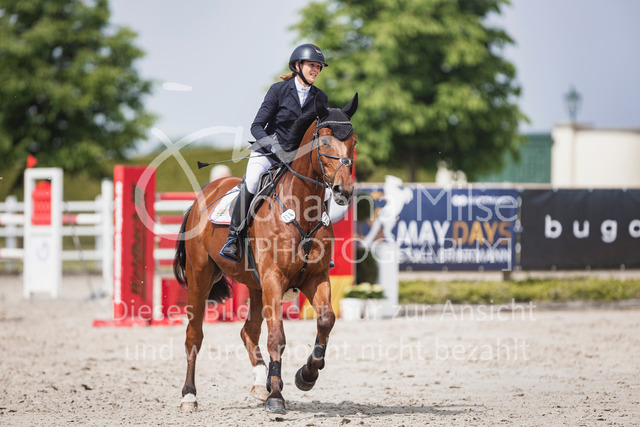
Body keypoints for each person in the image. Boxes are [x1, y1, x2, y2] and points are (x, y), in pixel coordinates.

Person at [220, 43, 329, 262]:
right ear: (297, 66)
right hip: (269, 153)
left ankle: (320, 241)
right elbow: (257, 126)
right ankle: (233, 238)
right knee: (252, 181)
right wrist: (274, 148)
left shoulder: (321, 97)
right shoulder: (278, 90)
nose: (316, 70)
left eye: (318, 66)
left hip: (297, 158)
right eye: (312, 65)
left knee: (325, 192)